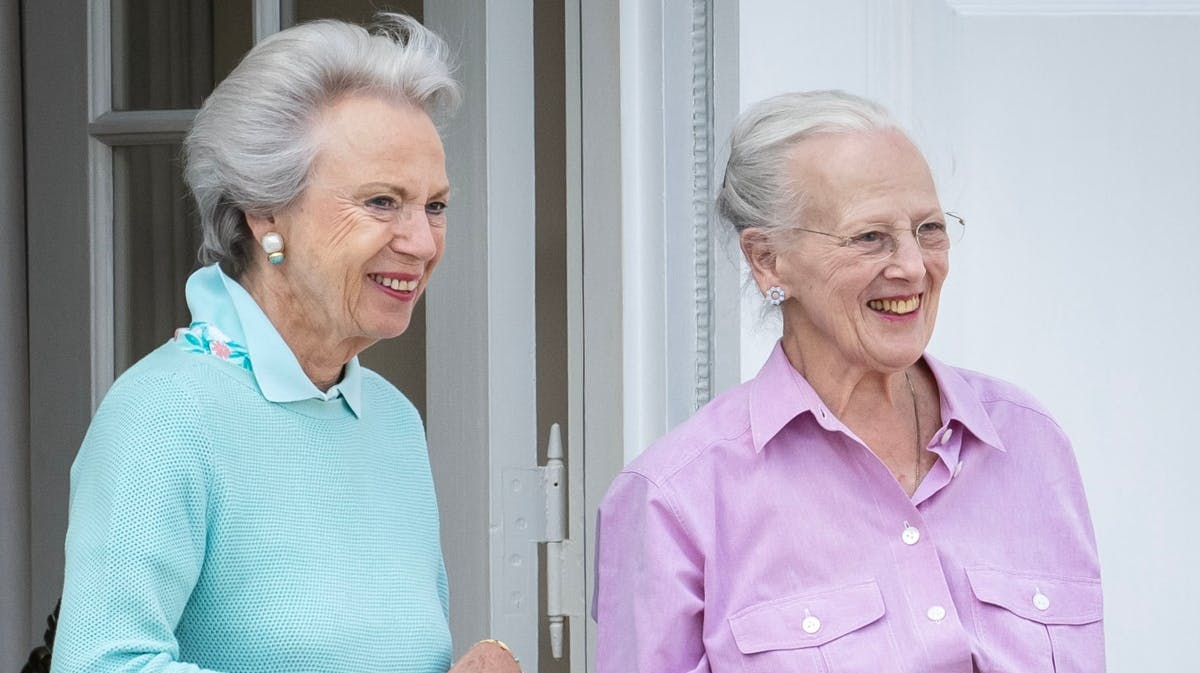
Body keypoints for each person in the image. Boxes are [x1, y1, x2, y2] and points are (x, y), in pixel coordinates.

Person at [51, 14, 518, 673]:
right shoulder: (162, 415)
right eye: (382, 201)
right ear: (266, 211)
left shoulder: (390, 420)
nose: (421, 242)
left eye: (435, 205)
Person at [593, 90, 1103, 672]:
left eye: (928, 229)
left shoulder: (1030, 443)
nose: (913, 266)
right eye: (870, 237)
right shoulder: (673, 501)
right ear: (768, 260)